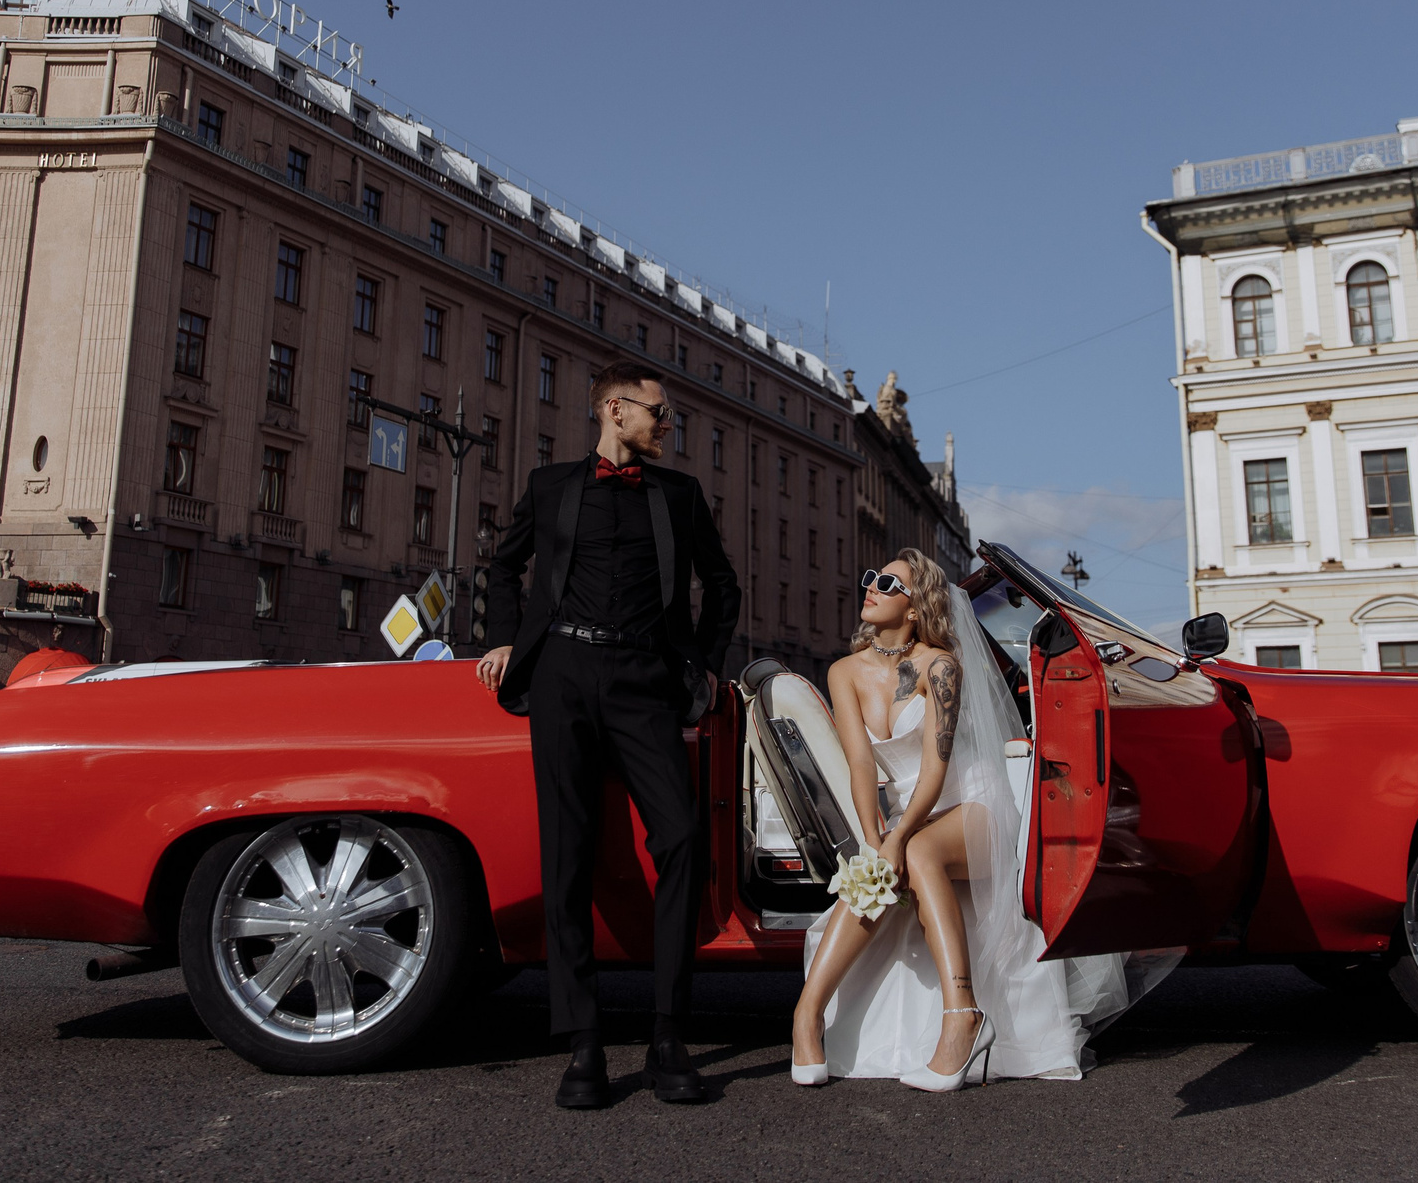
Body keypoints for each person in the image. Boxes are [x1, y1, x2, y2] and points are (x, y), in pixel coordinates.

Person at [475, 359, 741, 1111]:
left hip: (646, 680)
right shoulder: (550, 485)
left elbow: (723, 585)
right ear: (615, 410)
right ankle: (583, 1041)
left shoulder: (678, 494)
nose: (668, 425)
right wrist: (503, 638)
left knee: (682, 836)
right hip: (562, 672)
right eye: (660, 413)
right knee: (568, 851)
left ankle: (668, 1034)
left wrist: (705, 662)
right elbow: (503, 567)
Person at [788, 549, 1152, 1089]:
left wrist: (898, 837)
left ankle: (963, 1014)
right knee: (876, 868)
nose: (871, 587)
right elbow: (860, 764)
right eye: (871, 578)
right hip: (910, 812)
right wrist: (873, 839)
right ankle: (807, 1015)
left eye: (887, 584)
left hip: (974, 802)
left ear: (915, 608)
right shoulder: (844, 671)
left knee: (915, 852)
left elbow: (936, 769)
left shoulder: (941, 667)